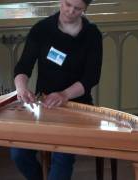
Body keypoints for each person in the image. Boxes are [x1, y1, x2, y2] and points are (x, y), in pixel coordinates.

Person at [11, 0, 102, 179]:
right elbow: (23, 67)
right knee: (19, 153)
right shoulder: (42, 29)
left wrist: (64, 95)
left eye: (77, 9)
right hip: (43, 105)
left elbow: (91, 78)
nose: (70, 11)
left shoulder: (92, 34)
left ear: (85, 9)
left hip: (76, 106)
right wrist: (21, 89)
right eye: (68, 4)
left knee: (62, 158)